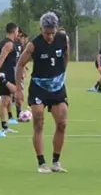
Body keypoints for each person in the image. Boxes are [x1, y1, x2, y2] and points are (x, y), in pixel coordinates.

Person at [15, 12, 69, 174]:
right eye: (46, 33)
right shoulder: (33, 45)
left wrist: (61, 74)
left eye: (52, 33)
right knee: (38, 120)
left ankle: (56, 162)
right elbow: (20, 65)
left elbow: (66, 56)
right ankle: (41, 163)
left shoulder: (63, 39)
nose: (50, 37)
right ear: (41, 29)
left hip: (57, 87)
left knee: (62, 123)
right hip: (39, 87)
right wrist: (18, 89)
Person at [0, 22, 20, 135]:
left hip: (10, 73)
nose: (18, 33)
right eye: (17, 31)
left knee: (7, 99)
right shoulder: (8, 44)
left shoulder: (8, 43)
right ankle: (3, 128)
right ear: (13, 31)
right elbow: (1, 58)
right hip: (6, 74)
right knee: (6, 99)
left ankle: (5, 127)